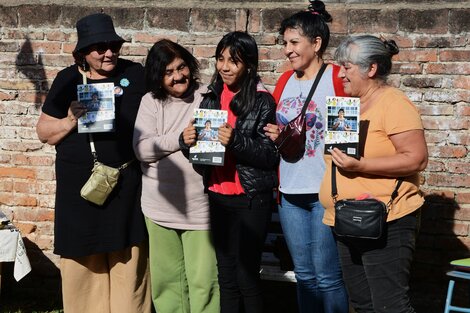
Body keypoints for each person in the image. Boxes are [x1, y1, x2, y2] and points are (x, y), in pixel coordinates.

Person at [35, 13, 151, 313]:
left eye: (113, 45)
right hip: (81, 189)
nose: (109, 52)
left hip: (125, 185)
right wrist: (71, 119)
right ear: (83, 53)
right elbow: (45, 133)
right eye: (99, 47)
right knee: (83, 261)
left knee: (129, 258)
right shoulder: (68, 79)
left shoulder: (135, 74)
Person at [319, 35, 428, 313]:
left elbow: (416, 159)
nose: (340, 74)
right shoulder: (348, 107)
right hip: (345, 218)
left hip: (386, 219)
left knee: (390, 306)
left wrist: (361, 166)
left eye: (347, 67)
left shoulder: (393, 103)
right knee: (363, 305)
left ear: (371, 69)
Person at [181, 31, 279, 313]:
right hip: (218, 194)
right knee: (226, 276)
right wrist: (187, 142)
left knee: (247, 277)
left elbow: (269, 156)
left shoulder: (262, 101)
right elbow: (200, 155)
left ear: (248, 64)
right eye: (220, 59)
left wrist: (235, 140)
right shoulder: (211, 97)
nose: (224, 67)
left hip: (250, 198)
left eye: (233, 61)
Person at [263, 1, 349, 312]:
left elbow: (352, 128)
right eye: (285, 43)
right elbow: (276, 126)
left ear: (316, 43)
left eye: (294, 42)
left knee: (327, 276)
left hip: (325, 191)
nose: (287, 50)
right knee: (305, 276)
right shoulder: (285, 81)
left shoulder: (337, 78)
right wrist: (275, 133)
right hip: (289, 192)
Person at [133, 39, 220, 313]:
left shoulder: (208, 95)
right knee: (167, 284)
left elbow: (250, 89)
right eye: (168, 72)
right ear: (158, 77)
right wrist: (180, 139)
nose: (178, 76)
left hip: (200, 209)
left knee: (204, 282)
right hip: (159, 209)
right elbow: (142, 149)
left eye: (181, 67)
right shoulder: (150, 102)